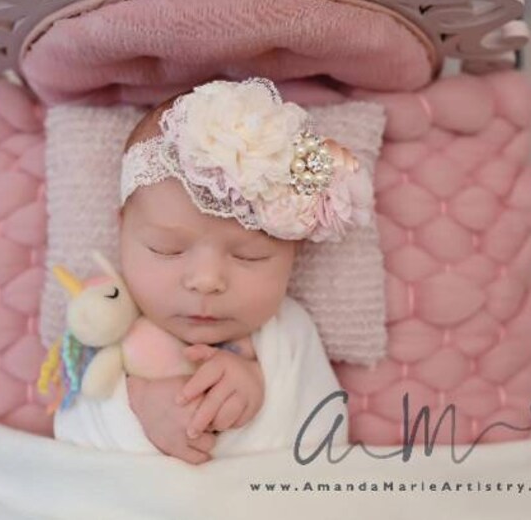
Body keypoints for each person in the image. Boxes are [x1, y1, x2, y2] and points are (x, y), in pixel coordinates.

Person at [54, 78, 372, 464]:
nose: (206, 281)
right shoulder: (106, 320)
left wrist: (258, 395)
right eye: (166, 249)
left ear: (294, 250)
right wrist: (136, 406)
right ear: (122, 231)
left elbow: (327, 441)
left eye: (249, 256)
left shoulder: (287, 332)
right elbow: (69, 435)